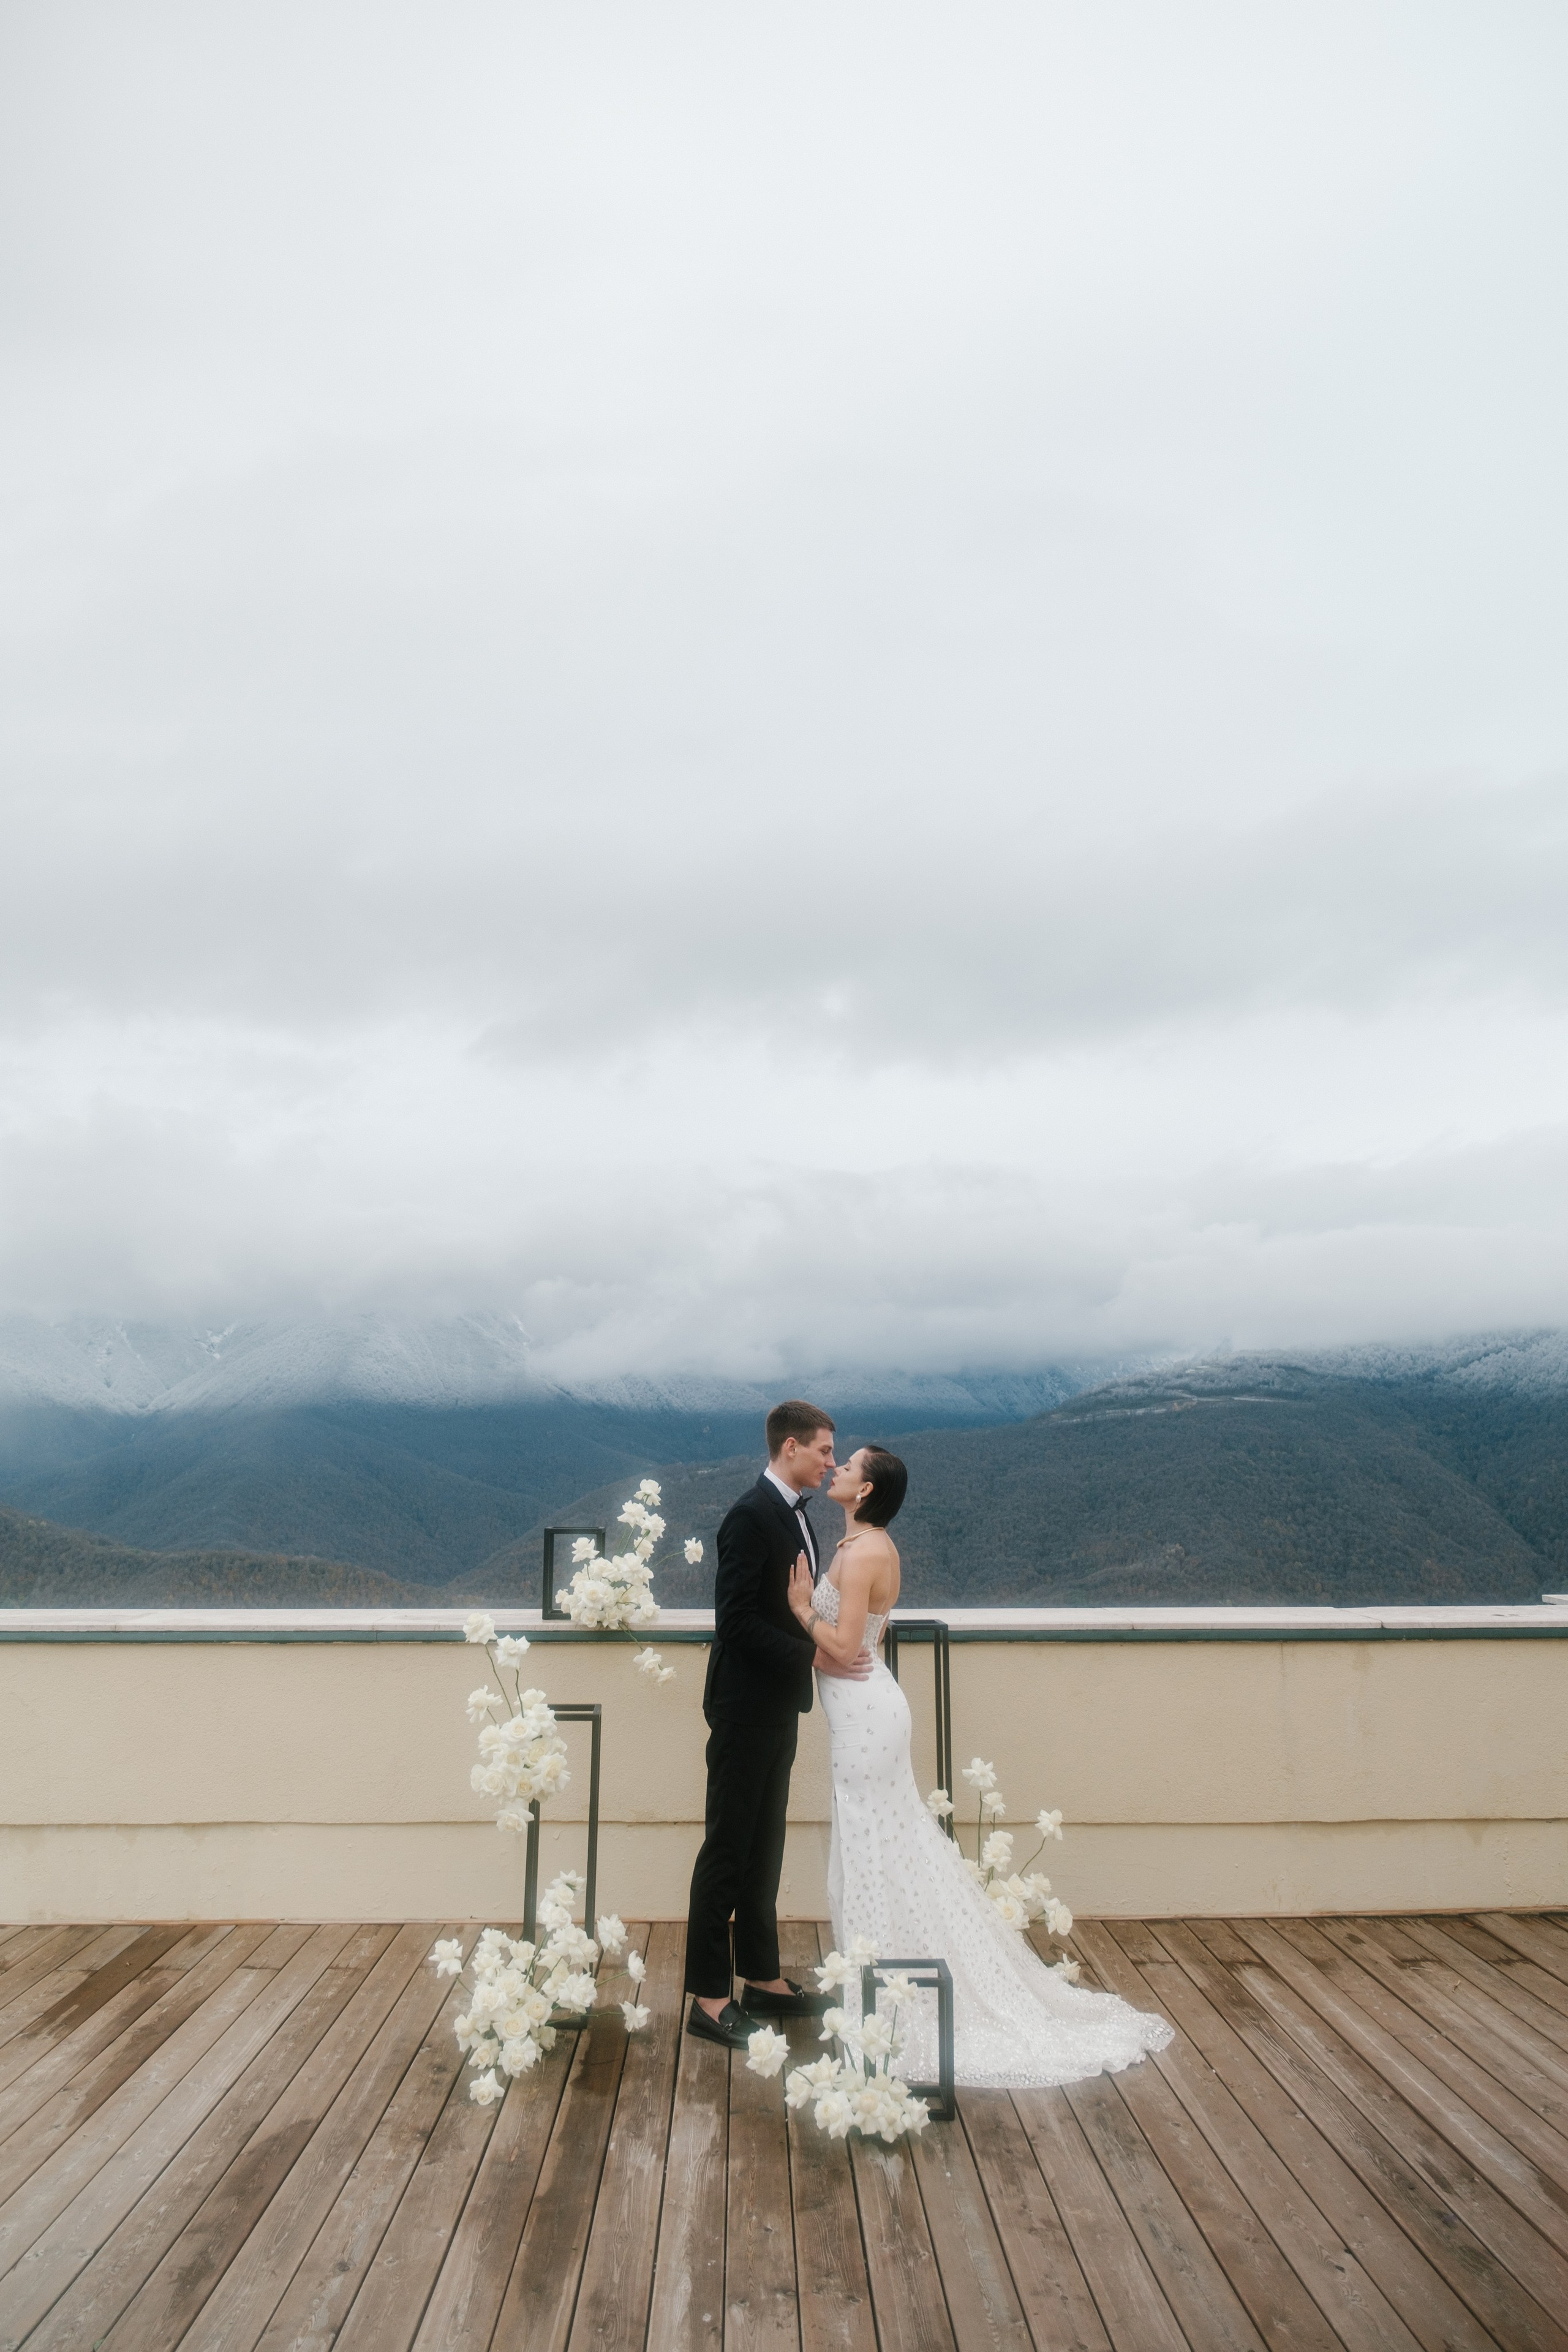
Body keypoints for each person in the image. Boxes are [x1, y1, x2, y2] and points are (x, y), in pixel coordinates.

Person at [788, 1444, 1172, 2086]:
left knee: (872, 1849)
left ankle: (893, 2002)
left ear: (866, 1491)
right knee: (886, 1847)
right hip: (862, 1712)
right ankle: (887, 1987)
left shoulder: (867, 1553)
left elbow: (842, 1649)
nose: (839, 1469)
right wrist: (817, 1641)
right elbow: (837, 1651)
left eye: (849, 1466)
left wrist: (802, 1609)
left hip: (865, 1718)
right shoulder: (859, 1548)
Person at [684, 1400, 872, 2048]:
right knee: (728, 1849)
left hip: (777, 1705)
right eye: (823, 1450)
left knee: (764, 1849)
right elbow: (733, 1622)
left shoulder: (794, 1515)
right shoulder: (748, 1516)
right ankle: (709, 1999)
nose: (830, 1461)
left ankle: (761, 1979)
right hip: (742, 1707)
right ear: (789, 1448)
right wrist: (813, 1654)